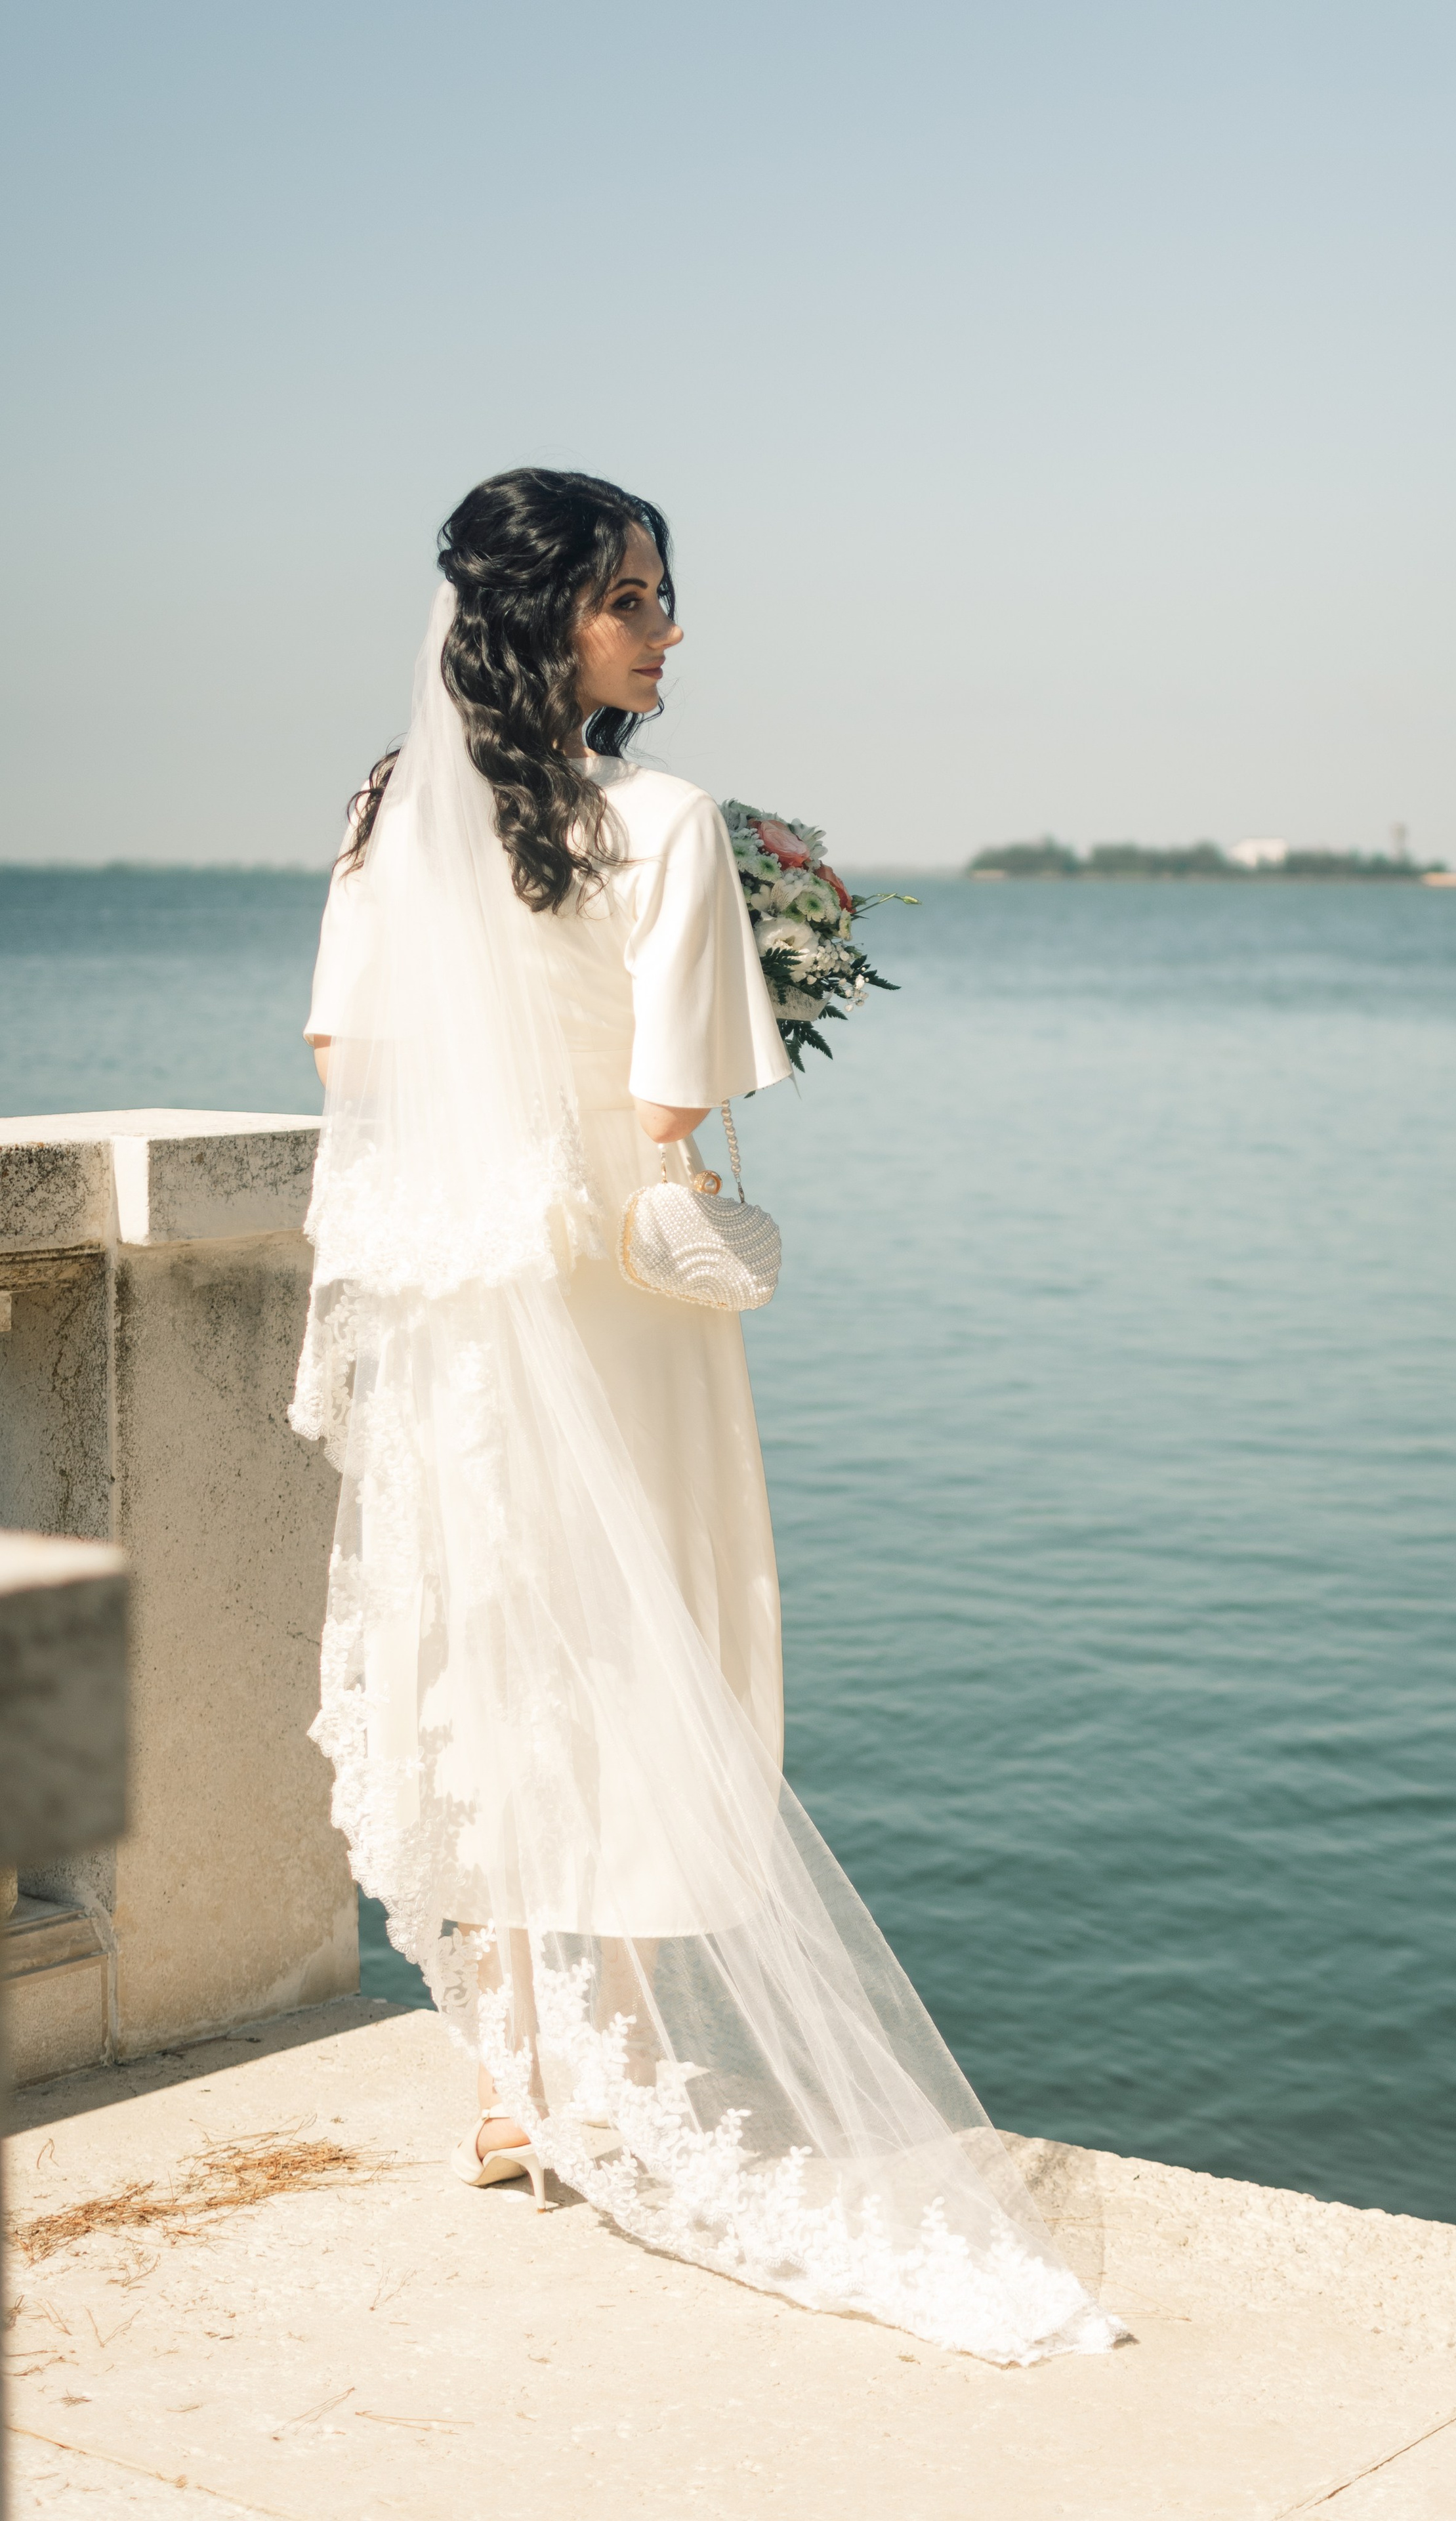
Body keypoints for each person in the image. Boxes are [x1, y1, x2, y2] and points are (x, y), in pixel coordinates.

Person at [293, 468, 1123, 2365]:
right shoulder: (664, 825)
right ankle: (641, 2049)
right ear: (555, 621)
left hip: (461, 1308)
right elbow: (677, 1108)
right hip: (619, 1303)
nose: (671, 631)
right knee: (657, 1644)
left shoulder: (387, 810)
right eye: (640, 599)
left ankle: (513, 2082)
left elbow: (346, 1049)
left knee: (492, 1651)